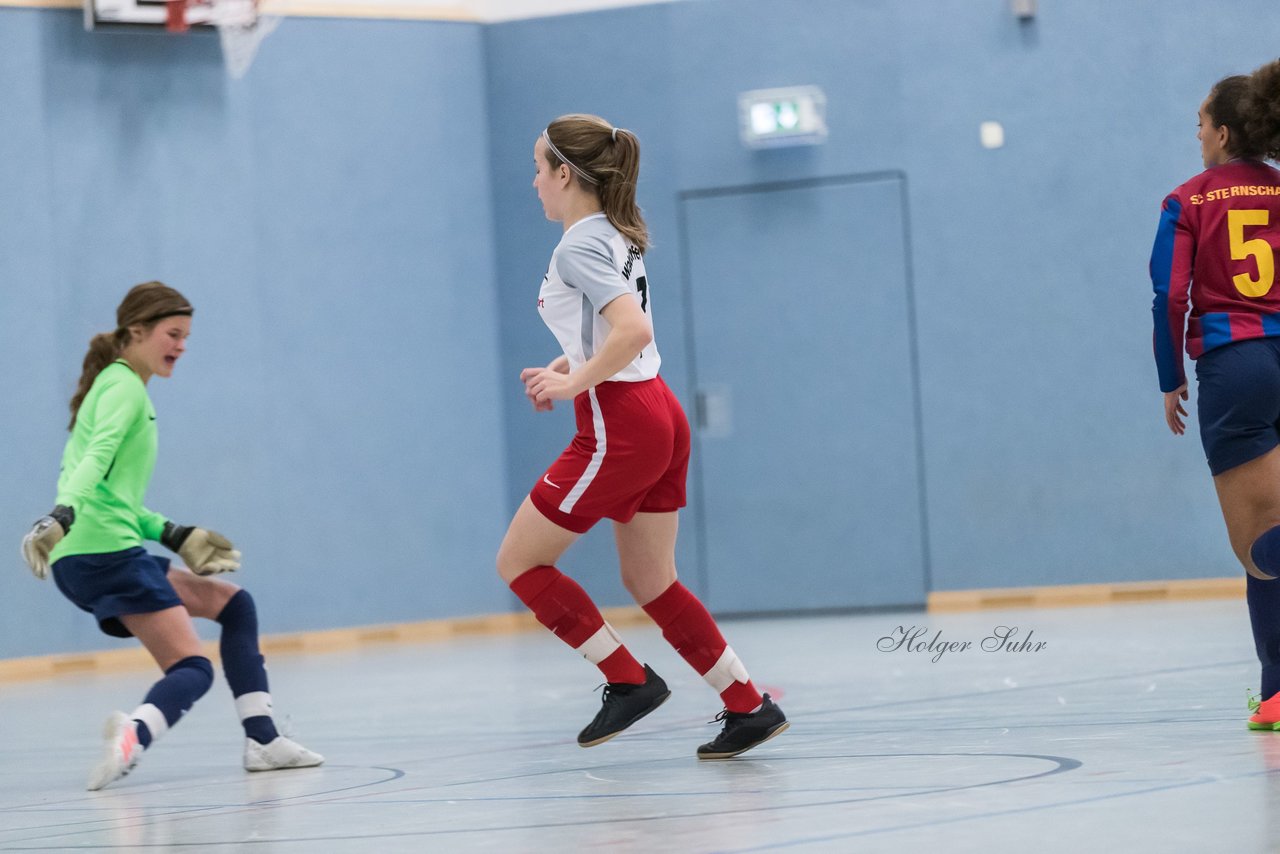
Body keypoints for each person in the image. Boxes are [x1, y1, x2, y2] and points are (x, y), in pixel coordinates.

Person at [496, 114, 788, 759]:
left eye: (539, 170)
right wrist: (565, 366)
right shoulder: (609, 234)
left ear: (564, 174)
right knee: (650, 578)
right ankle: (748, 705)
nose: (534, 183)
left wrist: (574, 386)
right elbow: (609, 338)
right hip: (659, 413)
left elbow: (631, 333)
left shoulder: (576, 246)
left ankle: (627, 679)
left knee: (519, 562)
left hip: (620, 423)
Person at [20, 281, 323, 790]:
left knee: (234, 604)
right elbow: (94, 463)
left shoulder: (115, 385)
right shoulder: (123, 388)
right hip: (104, 553)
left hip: (89, 555)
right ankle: (133, 735)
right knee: (191, 667)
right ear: (136, 333)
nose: (181, 345)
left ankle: (264, 740)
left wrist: (173, 533)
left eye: (186, 336)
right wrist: (61, 514)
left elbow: (113, 497)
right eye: (172, 333)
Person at [1150, 60, 1280, 729]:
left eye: (1201, 123)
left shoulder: (1187, 199)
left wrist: (1169, 375)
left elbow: (1172, 294)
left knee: (1263, 546)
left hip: (1240, 365)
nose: (1195, 133)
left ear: (1225, 133)